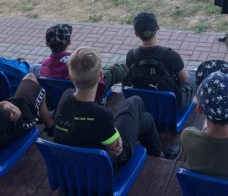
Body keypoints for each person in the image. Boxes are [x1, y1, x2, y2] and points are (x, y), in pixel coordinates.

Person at [53, 46, 181, 172]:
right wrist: (116, 137)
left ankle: (157, 152)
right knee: (135, 101)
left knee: (145, 119)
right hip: (103, 167)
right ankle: (158, 154)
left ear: (70, 76)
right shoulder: (102, 116)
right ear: (101, 75)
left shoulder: (65, 97)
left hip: (71, 163)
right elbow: (115, 150)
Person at [39, 23, 128, 105]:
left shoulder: (43, 66)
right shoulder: (77, 61)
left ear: (47, 44)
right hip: (91, 86)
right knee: (118, 69)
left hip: (61, 102)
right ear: (69, 41)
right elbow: (98, 82)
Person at [126, 11, 195, 112]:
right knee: (195, 74)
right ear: (158, 27)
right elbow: (184, 80)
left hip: (144, 105)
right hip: (171, 107)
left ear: (136, 34)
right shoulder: (171, 55)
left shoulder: (131, 55)